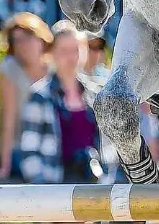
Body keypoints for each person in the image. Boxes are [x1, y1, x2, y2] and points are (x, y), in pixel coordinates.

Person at [20, 20, 103, 184]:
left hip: (93, 185)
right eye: (64, 51)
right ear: (51, 53)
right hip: (55, 183)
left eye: (76, 50)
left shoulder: (96, 95)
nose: (71, 57)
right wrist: (41, 186)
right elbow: (29, 150)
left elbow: (108, 148)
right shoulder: (40, 96)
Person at [0, 12, 52, 182]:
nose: (22, 45)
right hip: (13, 150)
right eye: (16, 40)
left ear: (41, 38)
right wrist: (4, 168)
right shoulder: (9, 69)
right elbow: (8, 122)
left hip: (45, 147)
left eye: (27, 38)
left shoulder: (53, 69)